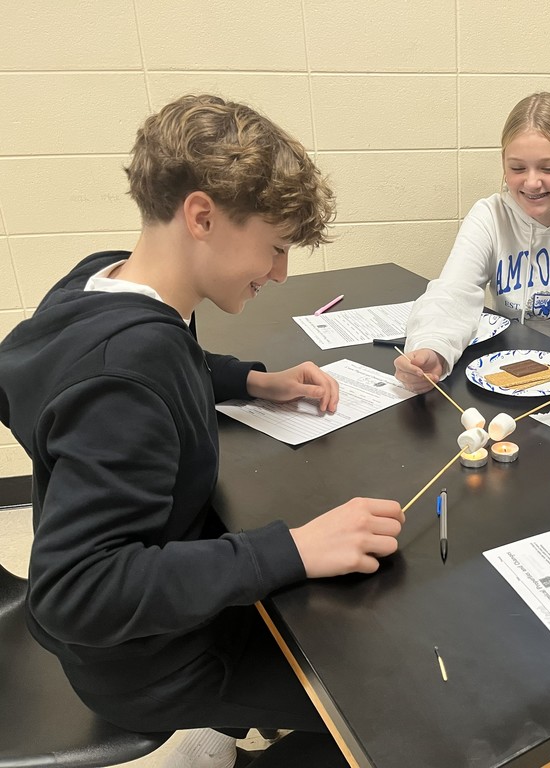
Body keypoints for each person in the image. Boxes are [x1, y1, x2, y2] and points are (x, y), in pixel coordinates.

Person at [0, 95, 404, 767]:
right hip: (153, 664)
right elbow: (75, 592)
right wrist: (290, 550)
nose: (280, 273)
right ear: (202, 216)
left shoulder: (101, 282)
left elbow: (165, 361)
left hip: (153, 623)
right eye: (275, 248)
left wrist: (251, 381)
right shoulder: (128, 373)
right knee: (389, 698)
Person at [395, 92, 550, 392]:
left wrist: (534, 378)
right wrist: (433, 348)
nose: (532, 182)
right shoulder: (490, 216)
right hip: (502, 372)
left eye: (548, 168)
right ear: (503, 162)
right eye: (517, 168)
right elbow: (452, 294)